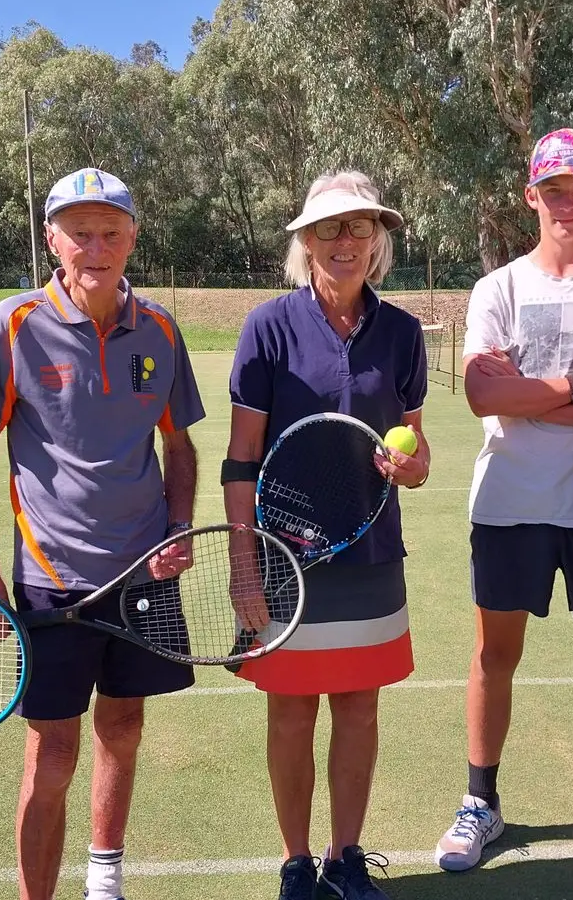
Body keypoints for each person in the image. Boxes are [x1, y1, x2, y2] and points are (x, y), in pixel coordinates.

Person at [0, 167, 206, 900]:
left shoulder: (159, 329)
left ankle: (105, 876)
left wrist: (180, 527)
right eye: (78, 231)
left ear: (132, 239)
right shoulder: (14, 323)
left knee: (123, 727)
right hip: (49, 577)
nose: (95, 247)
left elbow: (180, 448)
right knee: (53, 748)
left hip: (144, 575)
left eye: (110, 232)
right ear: (51, 239)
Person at [435, 128, 573, 892]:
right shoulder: (496, 288)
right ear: (531, 197)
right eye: (551, 188)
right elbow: (482, 394)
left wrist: (537, 394)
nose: (565, 200)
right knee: (494, 658)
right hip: (509, 505)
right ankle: (481, 801)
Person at [223, 170, 430, 900]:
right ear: (305, 240)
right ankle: (296, 863)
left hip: (370, 554)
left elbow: (419, 453)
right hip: (284, 559)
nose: (345, 241)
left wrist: (411, 465)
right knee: (290, 710)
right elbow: (241, 459)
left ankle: (345, 857)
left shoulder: (402, 333)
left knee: (360, 707)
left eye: (359, 226)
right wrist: (243, 566)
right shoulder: (267, 327)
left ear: (377, 238)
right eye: (329, 228)